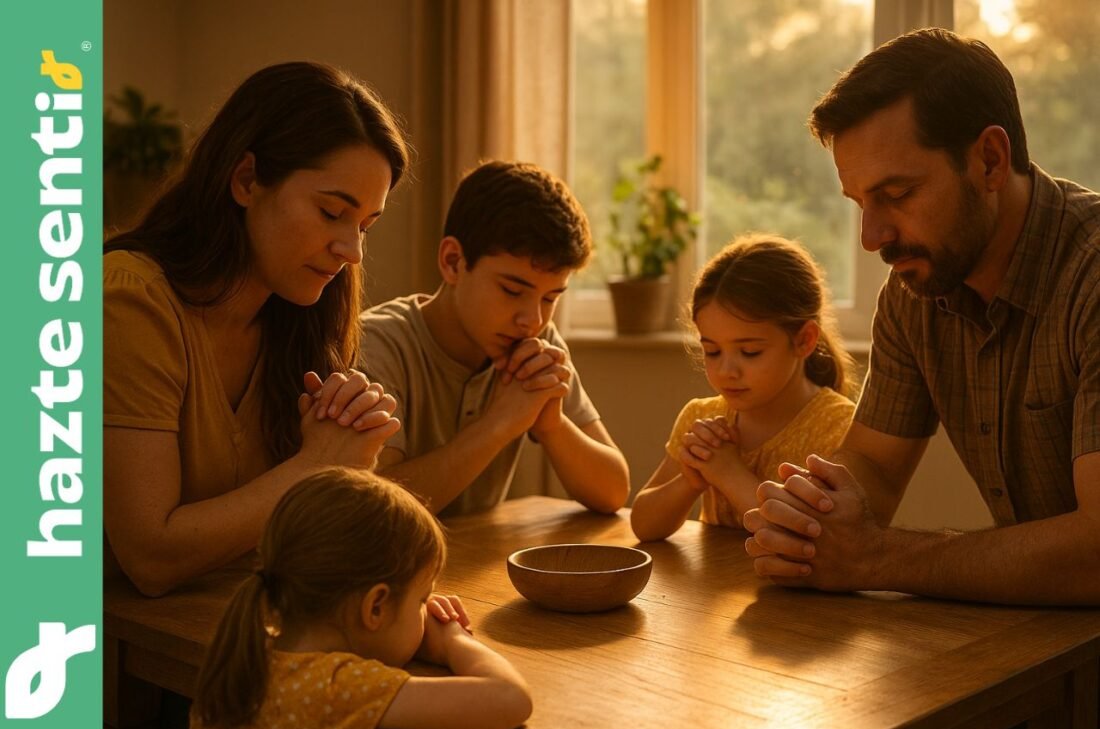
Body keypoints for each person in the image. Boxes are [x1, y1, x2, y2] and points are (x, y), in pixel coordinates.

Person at [742, 28, 1100, 605]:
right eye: (861, 203)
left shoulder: (1092, 275)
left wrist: (873, 556)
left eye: (898, 194)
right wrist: (811, 521)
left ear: (989, 160)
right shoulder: (917, 290)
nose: (872, 237)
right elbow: (875, 467)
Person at [104, 62, 410, 597]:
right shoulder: (129, 300)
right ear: (246, 180)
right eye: (331, 211)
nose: (352, 250)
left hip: (231, 623)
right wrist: (317, 464)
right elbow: (149, 558)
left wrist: (350, 464)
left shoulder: (297, 318)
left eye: (365, 225)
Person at [360, 160, 630, 516]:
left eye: (551, 298)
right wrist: (500, 425)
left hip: (478, 562)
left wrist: (553, 425)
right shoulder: (377, 345)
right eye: (512, 290)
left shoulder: (537, 341)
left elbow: (614, 492)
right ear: (454, 261)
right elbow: (372, 511)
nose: (532, 320)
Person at [190, 467, 532, 729]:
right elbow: (509, 700)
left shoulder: (247, 652)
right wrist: (452, 640)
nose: (427, 612)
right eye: (421, 600)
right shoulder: (337, 686)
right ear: (375, 607)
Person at [631, 235, 856, 541]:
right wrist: (690, 480)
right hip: (709, 588)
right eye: (712, 351)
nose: (726, 371)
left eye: (750, 352)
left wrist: (727, 472)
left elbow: (805, 543)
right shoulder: (702, 417)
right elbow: (643, 526)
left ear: (804, 340)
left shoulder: (840, 426)